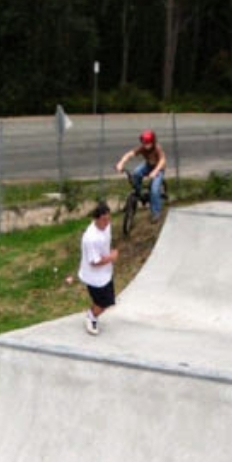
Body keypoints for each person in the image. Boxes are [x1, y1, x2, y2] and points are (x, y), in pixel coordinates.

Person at [78, 202, 118, 335]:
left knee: (108, 300)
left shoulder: (106, 227)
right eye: (104, 220)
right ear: (96, 219)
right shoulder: (90, 238)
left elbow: (106, 241)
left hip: (105, 273)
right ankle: (91, 316)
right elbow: (94, 262)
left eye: (109, 219)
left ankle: (93, 313)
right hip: (94, 277)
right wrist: (111, 257)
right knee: (103, 302)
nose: (107, 223)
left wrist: (108, 254)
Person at [115, 129, 167, 223]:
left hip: (159, 168)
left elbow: (162, 160)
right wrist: (121, 163)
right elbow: (129, 154)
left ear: (152, 142)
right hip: (148, 165)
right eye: (144, 142)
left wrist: (155, 172)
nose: (145, 145)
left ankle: (156, 213)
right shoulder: (142, 148)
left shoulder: (157, 148)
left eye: (147, 143)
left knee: (154, 190)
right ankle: (139, 193)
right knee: (136, 173)